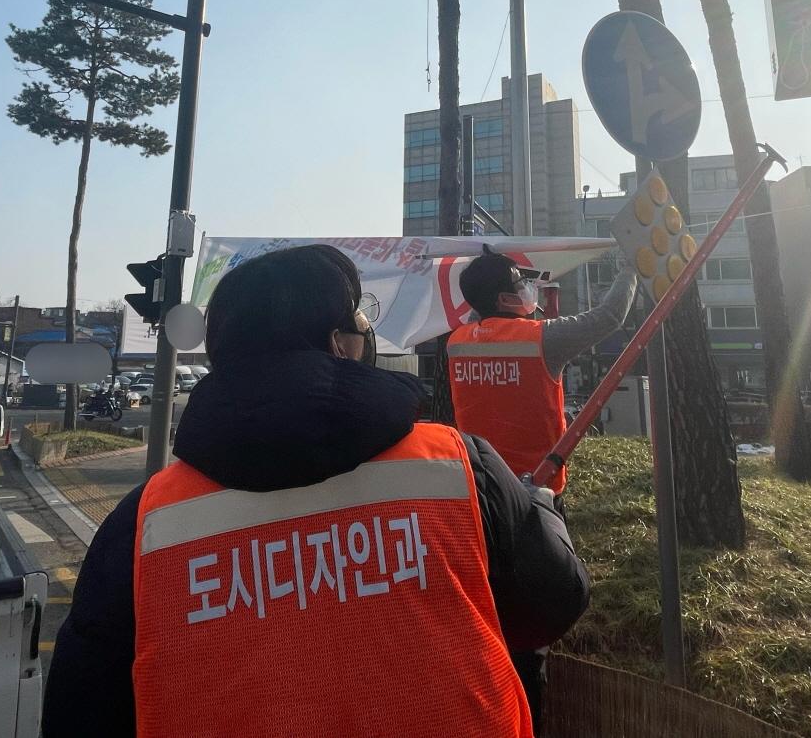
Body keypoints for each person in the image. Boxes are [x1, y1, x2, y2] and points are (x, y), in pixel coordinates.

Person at [42, 244, 590, 738]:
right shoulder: (459, 467)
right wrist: (540, 512)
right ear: (339, 345)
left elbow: (82, 709)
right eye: (360, 319)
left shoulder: (145, 525)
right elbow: (552, 604)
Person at [448, 246, 637, 719]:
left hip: (479, 496)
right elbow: (611, 315)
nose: (524, 289)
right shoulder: (540, 339)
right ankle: (526, 712)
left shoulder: (457, 342)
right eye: (518, 283)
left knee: (492, 612)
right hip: (536, 499)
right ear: (504, 296)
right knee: (531, 625)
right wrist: (630, 265)